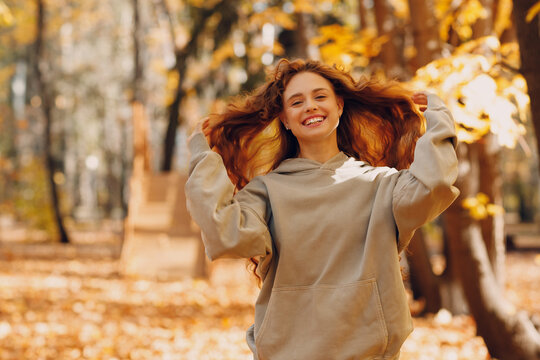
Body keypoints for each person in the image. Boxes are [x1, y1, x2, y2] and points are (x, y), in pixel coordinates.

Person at [185, 59, 459, 360]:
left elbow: (433, 187)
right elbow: (225, 233)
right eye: (297, 101)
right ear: (285, 119)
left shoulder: (381, 185)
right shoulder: (267, 192)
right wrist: (202, 155)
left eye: (320, 96)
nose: (310, 106)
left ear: (339, 106)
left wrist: (438, 117)